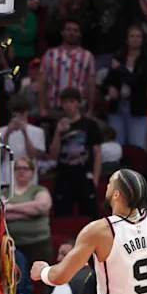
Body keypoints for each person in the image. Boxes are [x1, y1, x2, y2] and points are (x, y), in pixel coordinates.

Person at [49, 89, 103, 217]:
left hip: (84, 174)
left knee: (90, 216)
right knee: (61, 215)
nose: (68, 105)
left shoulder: (90, 125)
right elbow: (53, 155)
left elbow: (98, 154)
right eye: (65, 102)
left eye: (72, 102)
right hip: (64, 176)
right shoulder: (56, 125)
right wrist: (57, 132)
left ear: (78, 103)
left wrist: (95, 178)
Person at [38, 20, 97, 117]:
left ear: (80, 34)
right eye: (68, 30)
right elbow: (42, 82)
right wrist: (42, 108)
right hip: (55, 107)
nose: (72, 33)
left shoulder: (88, 56)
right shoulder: (50, 54)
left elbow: (91, 85)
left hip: (79, 109)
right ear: (62, 32)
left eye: (75, 30)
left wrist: (90, 110)